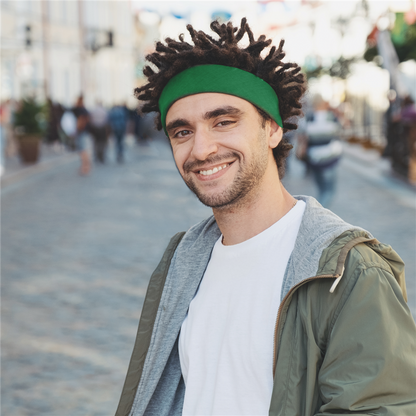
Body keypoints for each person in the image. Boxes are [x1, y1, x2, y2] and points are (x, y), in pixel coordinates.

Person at [115, 19, 416, 416]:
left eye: (224, 121)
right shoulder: (182, 259)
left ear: (272, 129)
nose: (201, 149)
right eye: (182, 132)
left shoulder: (350, 272)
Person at [299, 94, 343, 208]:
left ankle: (318, 209)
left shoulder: (309, 117)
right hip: (329, 158)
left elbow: (301, 135)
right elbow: (340, 131)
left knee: (321, 189)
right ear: (324, 103)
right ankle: (319, 212)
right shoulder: (331, 117)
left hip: (314, 158)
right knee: (329, 191)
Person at [72, 95, 91, 175]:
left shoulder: (80, 110)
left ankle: (85, 167)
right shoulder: (84, 109)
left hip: (81, 131)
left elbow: (81, 120)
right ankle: (85, 167)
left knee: (82, 150)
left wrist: (77, 129)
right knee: (83, 149)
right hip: (84, 131)